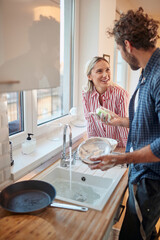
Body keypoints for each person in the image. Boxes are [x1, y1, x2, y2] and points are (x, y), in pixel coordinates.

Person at [89, 7, 160, 240]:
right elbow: (152, 123)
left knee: (133, 236)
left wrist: (124, 158)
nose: (121, 55)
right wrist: (122, 121)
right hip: (143, 174)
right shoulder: (147, 72)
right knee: (145, 232)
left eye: (119, 50)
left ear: (128, 45)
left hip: (151, 178)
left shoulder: (158, 75)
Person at [82, 56, 129, 148]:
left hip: (119, 145)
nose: (106, 75)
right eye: (99, 71)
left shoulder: (121, 94)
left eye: (107, 70)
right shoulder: (86, 94)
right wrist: (92, 146)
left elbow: (122, 125)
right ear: (89, 76)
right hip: (101, 146)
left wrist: (127, 150)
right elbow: (90, 122)